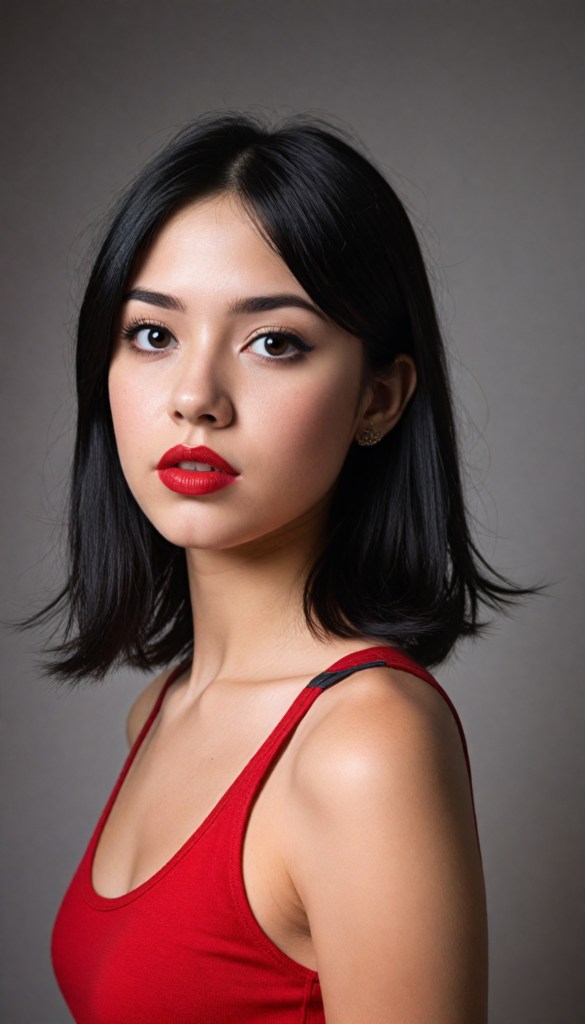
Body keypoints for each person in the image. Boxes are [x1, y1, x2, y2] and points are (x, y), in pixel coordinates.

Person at [30, 112, 531, 1023]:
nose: (194, 396)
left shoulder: (364, 744)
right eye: (152, 334)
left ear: (378, 399)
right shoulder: (160, 710)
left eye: (273, 342)